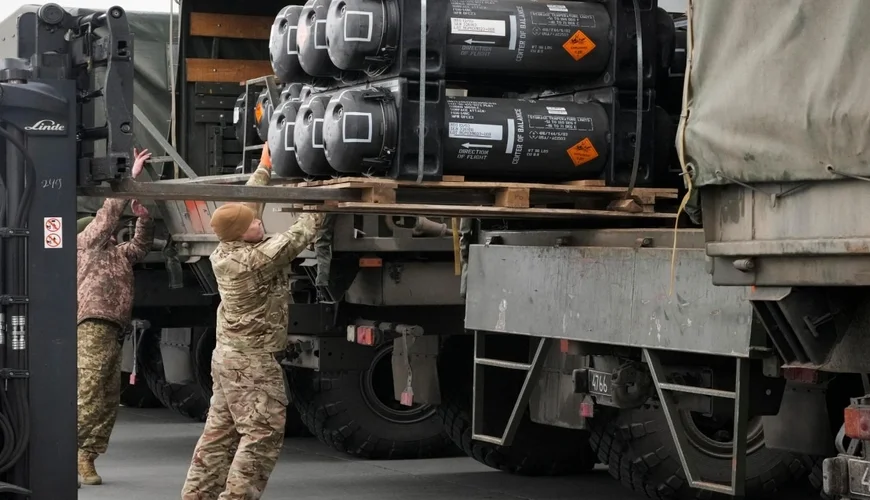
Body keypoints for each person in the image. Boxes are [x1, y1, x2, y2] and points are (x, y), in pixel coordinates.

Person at [181, 143, 324, 500]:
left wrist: (264, 169)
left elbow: (249, 209)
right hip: (252, 363)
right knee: (262, 434)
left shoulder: (226, 248)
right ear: (241, 233)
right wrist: (320, 195)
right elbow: (301, 234)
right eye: (253, 224)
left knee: (220, 433)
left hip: (229, 359)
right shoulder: (252, 261)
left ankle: (196, 496)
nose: (259, 221)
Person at [77, 148, 154, 486]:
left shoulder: (118, 255)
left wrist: (144, 218)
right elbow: (107, 215)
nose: (109, 231)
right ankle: (66, 450)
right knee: (89, 393)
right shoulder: (85, 246)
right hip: (92, 326)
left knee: (108, 399)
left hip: (113, 331)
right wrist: (130, 179)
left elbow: (140, 246)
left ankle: (87, 457)